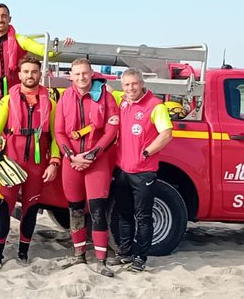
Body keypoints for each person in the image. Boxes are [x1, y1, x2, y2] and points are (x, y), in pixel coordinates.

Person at [0, 55, 60, 269]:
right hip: (11, 162)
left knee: (31, 208)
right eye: (26, 72)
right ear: (19, 75)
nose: (30, 75)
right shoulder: (7, 101)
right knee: (4, 207)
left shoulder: (51, 103)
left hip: (37, 167)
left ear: (40, 74)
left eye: (34, 72)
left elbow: (55, 137)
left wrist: (54, 162)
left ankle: (23, 253)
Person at [54, 58, 120, 277]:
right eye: (77, 74)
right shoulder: (65, 98)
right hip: (71, 161)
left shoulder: (106, 97)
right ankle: (79, 255)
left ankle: (101, 260)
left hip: (96, 161)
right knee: (75, 209)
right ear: (70, 76)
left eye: (85, 73)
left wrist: (92, 155)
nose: (81, 77)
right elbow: (59, 132)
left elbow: (111, 131)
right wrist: (72, 156)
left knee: (98, 209)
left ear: (92, 74)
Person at [114, 68, 173, 272]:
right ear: (122, 87)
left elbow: (166, 134)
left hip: (143, 171)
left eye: (134, 84)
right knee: (124, 214)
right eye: (127, 85)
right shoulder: (121, 102)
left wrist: (147, 152)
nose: (131, 88)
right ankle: (125, 253)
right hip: (122, 169)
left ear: (142, 84)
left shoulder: (155, 106)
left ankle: (140, 257)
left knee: (143, 217)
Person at [0, 3, 71, 99]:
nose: (0, 20)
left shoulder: (21, 40)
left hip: (18, 96)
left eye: (4, 16)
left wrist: (63, 45)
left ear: (9, 19)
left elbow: (44, 51)